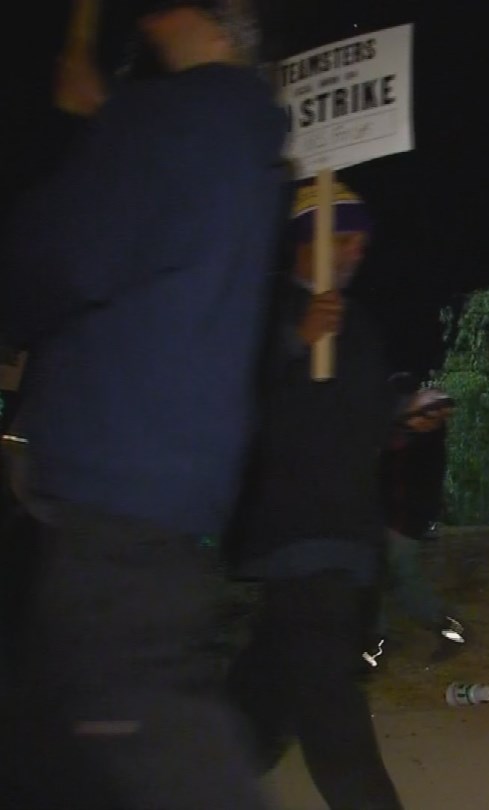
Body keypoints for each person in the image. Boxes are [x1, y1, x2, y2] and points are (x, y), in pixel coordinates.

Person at [0, 2, 287, 808]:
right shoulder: (237, 137)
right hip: (168, 505)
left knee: (143, 743)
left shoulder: (171, 122)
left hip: (111, 500)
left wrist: (98, 132)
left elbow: (53, 260)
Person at [225, 179, 436, 810]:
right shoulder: (259, 312)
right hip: (295, 535)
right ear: (308, 239)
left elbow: (367, 419)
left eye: (362, 245)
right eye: (344, 237)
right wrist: (295, 342)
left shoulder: (359, 327)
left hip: (347, 541)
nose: (355, 253)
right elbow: (237, 403)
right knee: (332, 716)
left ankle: (179, 779)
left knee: (261, 703)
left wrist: (406, 415)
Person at [366, 372, 464, 669]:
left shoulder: (420, 434)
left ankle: (450, 632)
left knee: (399, 581)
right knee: (381, 578)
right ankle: (378, 642)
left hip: (404, 519)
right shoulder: (412, 432)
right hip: (400, 518)